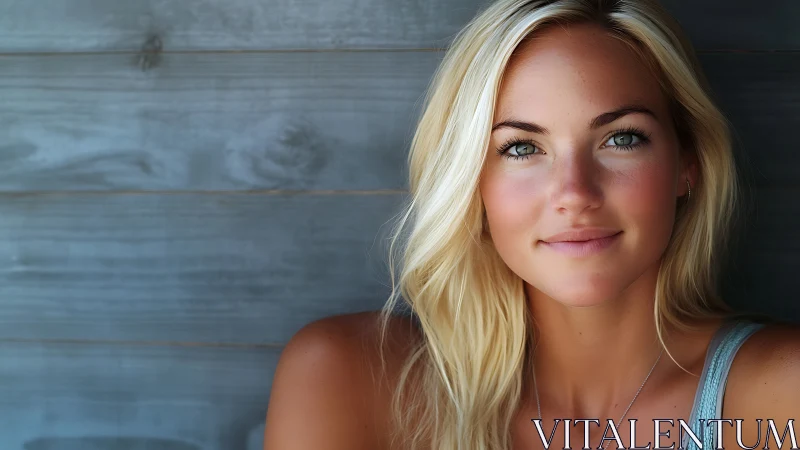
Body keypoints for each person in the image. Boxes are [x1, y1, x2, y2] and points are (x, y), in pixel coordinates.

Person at [262, 1, 800, 449]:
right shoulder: (346, 380)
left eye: (621, 138)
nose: (574, 194)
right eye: (521, 147)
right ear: (471, 180)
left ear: (688, 164)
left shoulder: (783, 394)